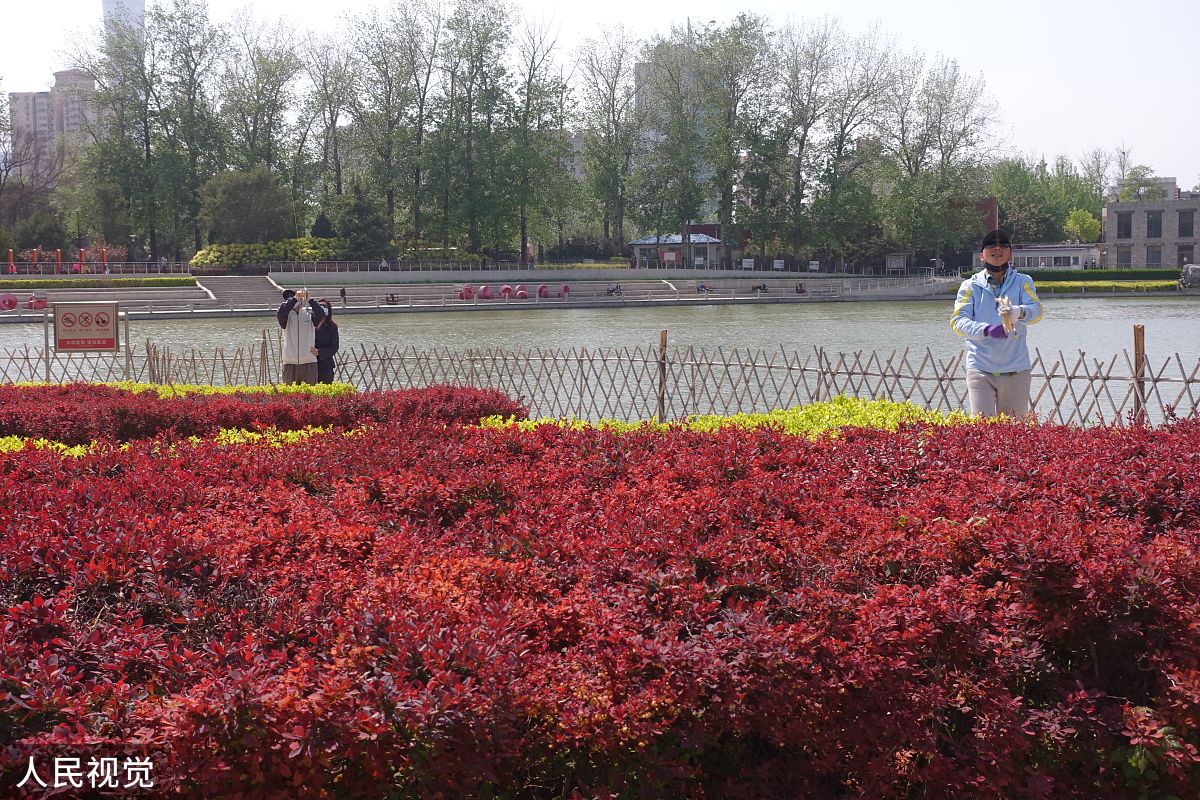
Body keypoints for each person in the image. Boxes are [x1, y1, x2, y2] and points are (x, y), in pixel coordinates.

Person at [951, 229, 1044, 418]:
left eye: (1003, 245)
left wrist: (1018, 312)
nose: (997, 248)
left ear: (1010, 252)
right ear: (981, 254)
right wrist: (987, 330)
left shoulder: (1023, 282)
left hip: (1016, 369)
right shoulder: (970, 286)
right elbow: (957, 322)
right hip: (980, 368)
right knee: (982, 430)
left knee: (1015, 431)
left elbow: (1037, 312)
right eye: (991, 245)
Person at [276, 288, 325, 384]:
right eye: (289, 299)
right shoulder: (285, 317)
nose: (294, 301)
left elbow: (321, 316)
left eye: (296, 298)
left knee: (310, 394)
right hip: (289, 361)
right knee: (289, 395)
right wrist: (294, 299)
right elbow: (280, 313)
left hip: (309, 361)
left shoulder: (309, 315)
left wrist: (310, 300)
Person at [311, 300, 340, 384]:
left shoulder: (332, 327)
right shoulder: (308, 323)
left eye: (324, 306)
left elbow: (334, 347)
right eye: (319, 306)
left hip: (326, 364)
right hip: (309, 363)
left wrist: (319, 352)